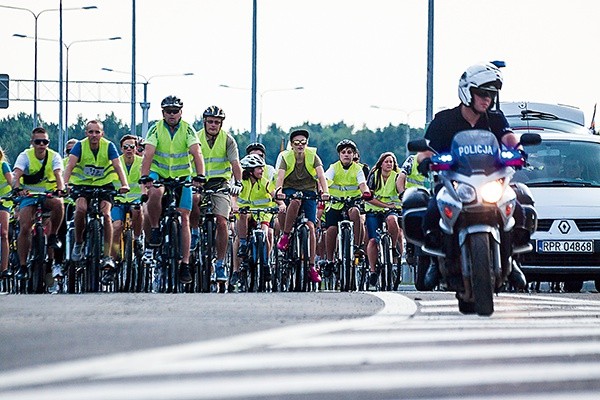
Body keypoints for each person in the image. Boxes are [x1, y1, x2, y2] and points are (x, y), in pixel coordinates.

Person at [416, 62, 527, 289]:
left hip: (491, 181)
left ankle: (512, 258)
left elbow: (509, 138)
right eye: (482, 94)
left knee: (520, 207)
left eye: (491, 95)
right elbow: (425, 149)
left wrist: (519, 151)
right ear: (467, 92)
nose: (487, 99)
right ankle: (435, 261)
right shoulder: (444, 119)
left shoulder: (496, 119)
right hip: (455, 182)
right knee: (431, 212)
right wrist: (426, 160)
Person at [140, 95, 205, 285]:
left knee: (184, 217)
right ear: (163, 113)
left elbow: (196, 152)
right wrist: (145, 178)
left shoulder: (187, 129)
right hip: (158, 173)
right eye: (168, 111)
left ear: (181, 112)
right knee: (156, 193)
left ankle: (184, 263)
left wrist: (200, 175)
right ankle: (155, 229)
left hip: (181, 176)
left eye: (175, 111)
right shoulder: (156, 128)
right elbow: (148, 153)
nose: (172, 114)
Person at [63, 120, 130, 284]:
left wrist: (124, 184)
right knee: (80, 209)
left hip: (104, 185)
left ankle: (107, 255)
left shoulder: (109, 146)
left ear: (102, 134)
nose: (94, 135)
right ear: (86, 133)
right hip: (82, 185)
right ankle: (78, 243)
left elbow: (117, 166)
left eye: (97, 132)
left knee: (106, 215)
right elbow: (70, 165)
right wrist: (64, 184)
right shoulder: (80, 146)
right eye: (91, 132)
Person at [193, 105, 242, 283]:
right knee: (193, 202)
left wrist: (238, 183)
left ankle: (220, 263)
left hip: (220, 183)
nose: (213, 125)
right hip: (198, 181)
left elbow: (235, 164)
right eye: (210, 122)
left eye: (217, 122)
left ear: (221, 124)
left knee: (222, 222)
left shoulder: (228, 140)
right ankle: (195, 232)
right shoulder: (195, 137)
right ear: (204, 122)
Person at [275, 129, 330, 283]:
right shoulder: (286, 157)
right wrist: (279, 192)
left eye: (303, 143)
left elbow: (321, 176)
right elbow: (280, 178)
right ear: (291, 145)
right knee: (295, 201)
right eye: (297, 143)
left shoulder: (313, 156)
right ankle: (286, 236)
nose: (300, 145)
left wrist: (325, 192)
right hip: (290, 189)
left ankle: (311, 266)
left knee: (311, 227)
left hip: (309, 190)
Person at [12, 127, 66, 281]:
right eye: (38, 141)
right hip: (28, 195)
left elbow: (58, 175)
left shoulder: (54, 156)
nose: (42, 144)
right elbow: (16, 174)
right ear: (32, 143)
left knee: (58, 204)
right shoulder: (25, 156)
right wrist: (17, 189)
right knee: (25, 227)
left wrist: (60, 189)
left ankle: (53, 236)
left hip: (47, 194)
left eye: (45, 141)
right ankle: (23, 266)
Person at [321, 139, 371, 277]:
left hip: (352, 202)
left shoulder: (358, 169)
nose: (346, 155)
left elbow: (362, 184)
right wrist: (323, 191)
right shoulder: (334, 167)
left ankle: (355, 246)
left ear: (354, 154)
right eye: (343, 152)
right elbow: (325, 180)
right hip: (335, 203)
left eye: (349, 152)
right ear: (339, 155)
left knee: (355, 212)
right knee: (331, 229)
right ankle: (330, 260)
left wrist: (365, 192)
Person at [231, 154, 283, 286]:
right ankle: (242, 245)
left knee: (266, 233)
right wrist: (235, 205)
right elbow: (234, 197)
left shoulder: (264, 181)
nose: (262, 170)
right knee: (243, 218)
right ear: (250, 171)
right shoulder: (242, 182)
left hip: (262, 213)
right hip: (245, 212)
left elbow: (274, 195)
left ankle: (265, 264)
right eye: (258, 168)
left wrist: (281, 204)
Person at [364, 152, 404, 291]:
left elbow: (401, 192)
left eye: (391, 162)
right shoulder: (374, 176)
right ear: (381, 163)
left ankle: (392, 249)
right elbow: (369, 197)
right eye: (386, 161)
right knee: (373, 241)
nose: (389, 164)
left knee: (393, 221)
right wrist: (386, 205)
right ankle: (373, 270)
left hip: (391, 210)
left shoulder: (397, 176)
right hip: (373, 210)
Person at [110, 135, 144, 263]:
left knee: (137, 210)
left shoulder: (142, 162)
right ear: (121, 149)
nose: (129, 149)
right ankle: (112, 259)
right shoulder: (115, 163)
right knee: (117, 226)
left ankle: (137, 238)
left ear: (136, 148)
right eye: (126, 147)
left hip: (136, 199)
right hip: (118, 201)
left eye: (132, 147)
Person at [0, 146, 13, 279]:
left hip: (3, 202)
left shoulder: (3, 166)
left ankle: (4, 268)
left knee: (4, 233)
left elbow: (11, 182)